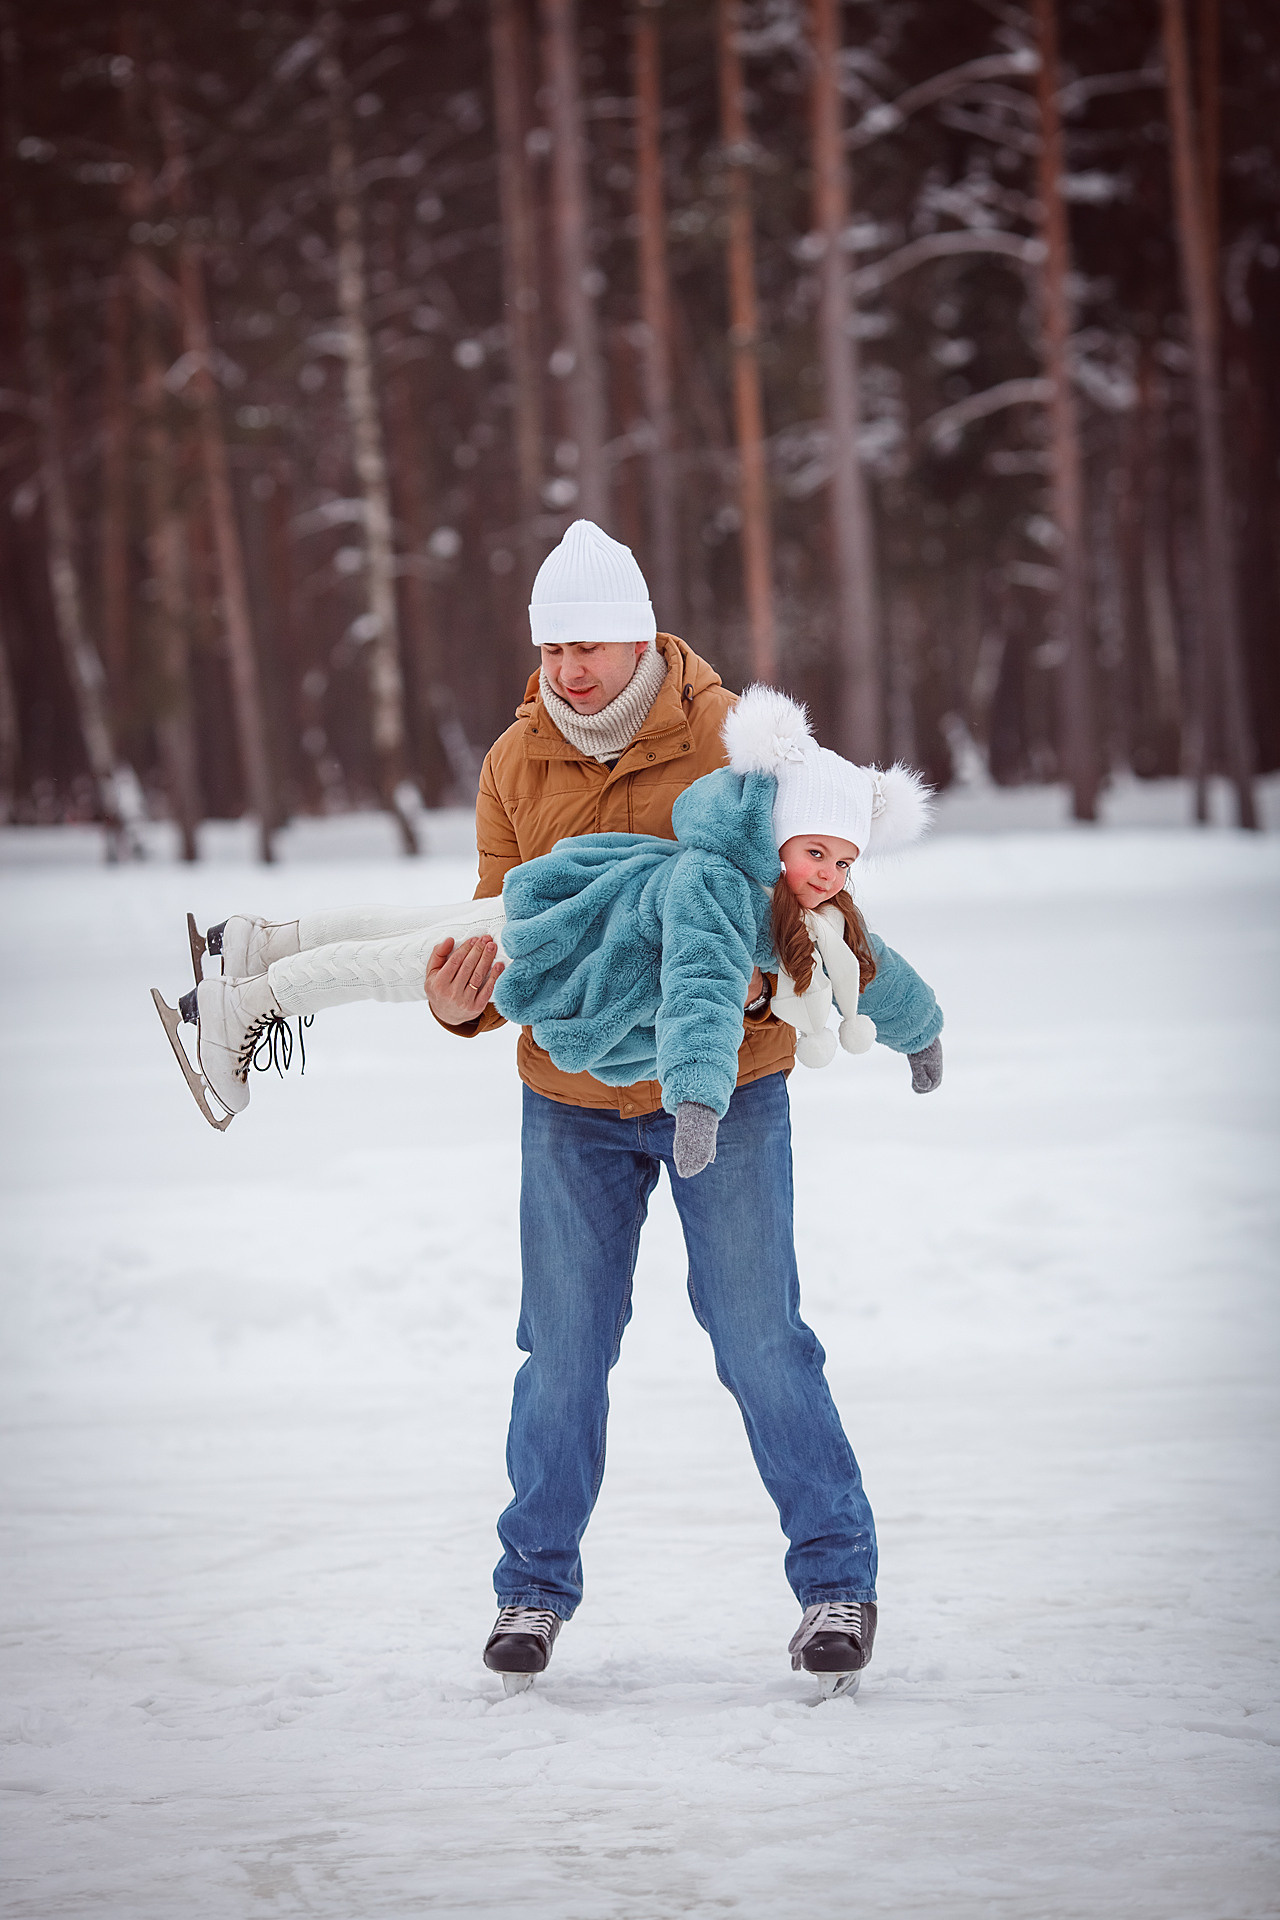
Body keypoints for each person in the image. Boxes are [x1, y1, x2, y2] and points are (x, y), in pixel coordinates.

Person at [156, 521, 944, 1694]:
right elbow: (496, 933)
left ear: (644, 638)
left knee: (759, 1340)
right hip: (569, 1100)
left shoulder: (740, 753)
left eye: (592, 643)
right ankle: (530, 1593)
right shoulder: (513, 762)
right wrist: (455, 1008)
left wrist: (774, 994)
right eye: (552, 646)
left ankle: (837, 1580)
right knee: (562, 1354)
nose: (568, 668)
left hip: (730, 1094)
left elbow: (816, 906)